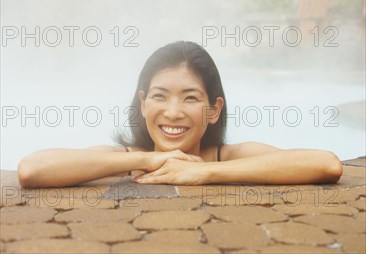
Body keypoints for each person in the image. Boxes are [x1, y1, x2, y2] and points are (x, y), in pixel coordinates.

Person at [17, 41, 343, 188]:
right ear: (143, 103)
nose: (173, 113)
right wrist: (146, 161)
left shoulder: (227, 157)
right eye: (160, 97)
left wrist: (205, 174)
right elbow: (32, 170)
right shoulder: (125, 157)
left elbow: (325, 164)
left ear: (214, 109)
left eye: (190, 98)